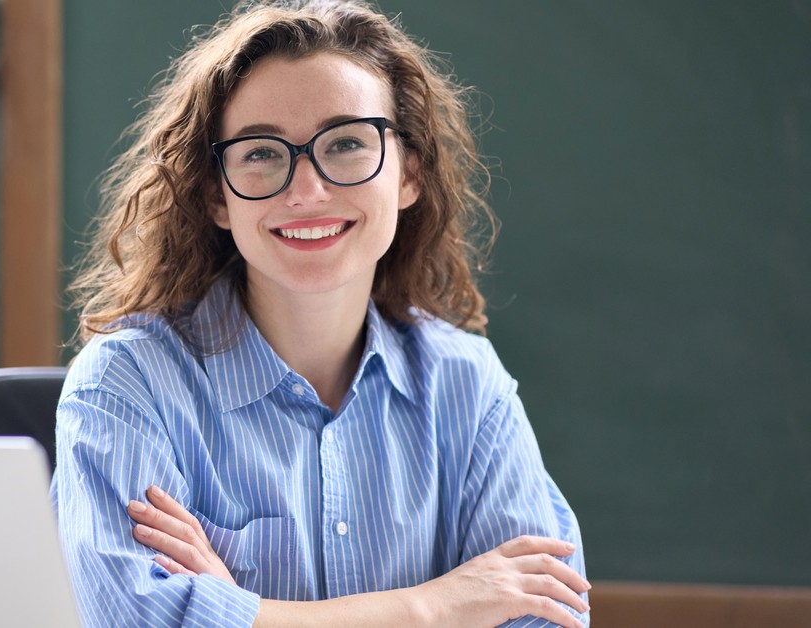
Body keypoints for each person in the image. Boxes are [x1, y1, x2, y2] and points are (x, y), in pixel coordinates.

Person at [51, 1, 589, 626]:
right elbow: (134, 619)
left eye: (347, 144)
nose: (306, 191)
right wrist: (432, 609)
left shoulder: (470, 387)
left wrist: (242, 613)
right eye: (260, 153)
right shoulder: (125, 384)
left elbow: (544, 615)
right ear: (214, 194)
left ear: (409, 173)